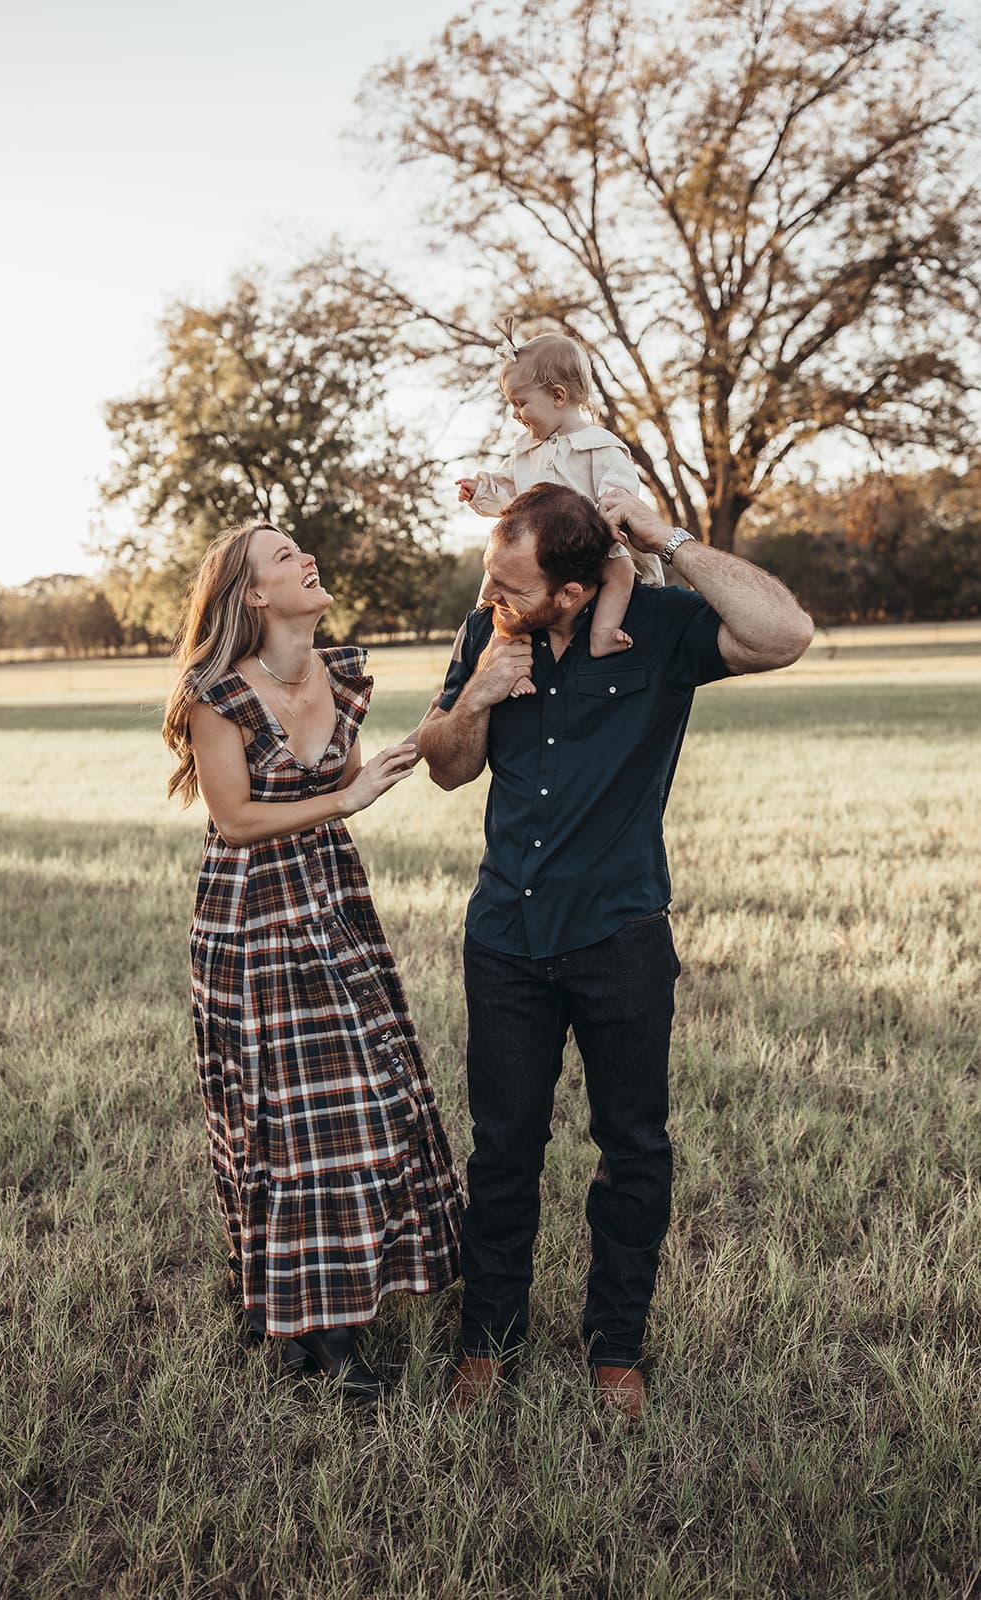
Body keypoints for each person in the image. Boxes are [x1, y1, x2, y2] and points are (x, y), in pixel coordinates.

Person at [418, 483, 814, 1418]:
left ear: (573, 590)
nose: (490, 594)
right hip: (504, 940)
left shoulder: (661, 629)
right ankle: (487, 1342)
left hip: (620, 937)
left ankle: (616, 1349)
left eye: (511, 584)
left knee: (632, 1149)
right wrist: (475, 695)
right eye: (490, 575)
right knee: (502, 1150)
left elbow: (784, 634)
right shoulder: (485, 633)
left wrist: (666, 539)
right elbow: (446, 767)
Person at [162, 520, 463, 1401]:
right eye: (283, 555)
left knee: (364, 1093)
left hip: (332, 899)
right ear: (254, 594)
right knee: (277, 1112)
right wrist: (346, 798)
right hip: (251, 914)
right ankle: (313, 1332)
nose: (306, 558)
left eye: (300, 547)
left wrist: (467, 696)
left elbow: (344, 787)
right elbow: (235, 821)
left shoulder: (340, 674)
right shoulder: (218, 693)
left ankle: (305, 1307)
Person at [455, 320, 662, 672]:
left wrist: (609, 520)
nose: (515, 414)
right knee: (497, 586)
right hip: (532, 554)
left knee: (621, 569)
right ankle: (493, 655)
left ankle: (602, 633)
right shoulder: (525, 452)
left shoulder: (599, 446)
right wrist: (482, 491)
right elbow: (508, 491)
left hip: (589, 544)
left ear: (557, 396)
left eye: (520, 403)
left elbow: (618, 491)